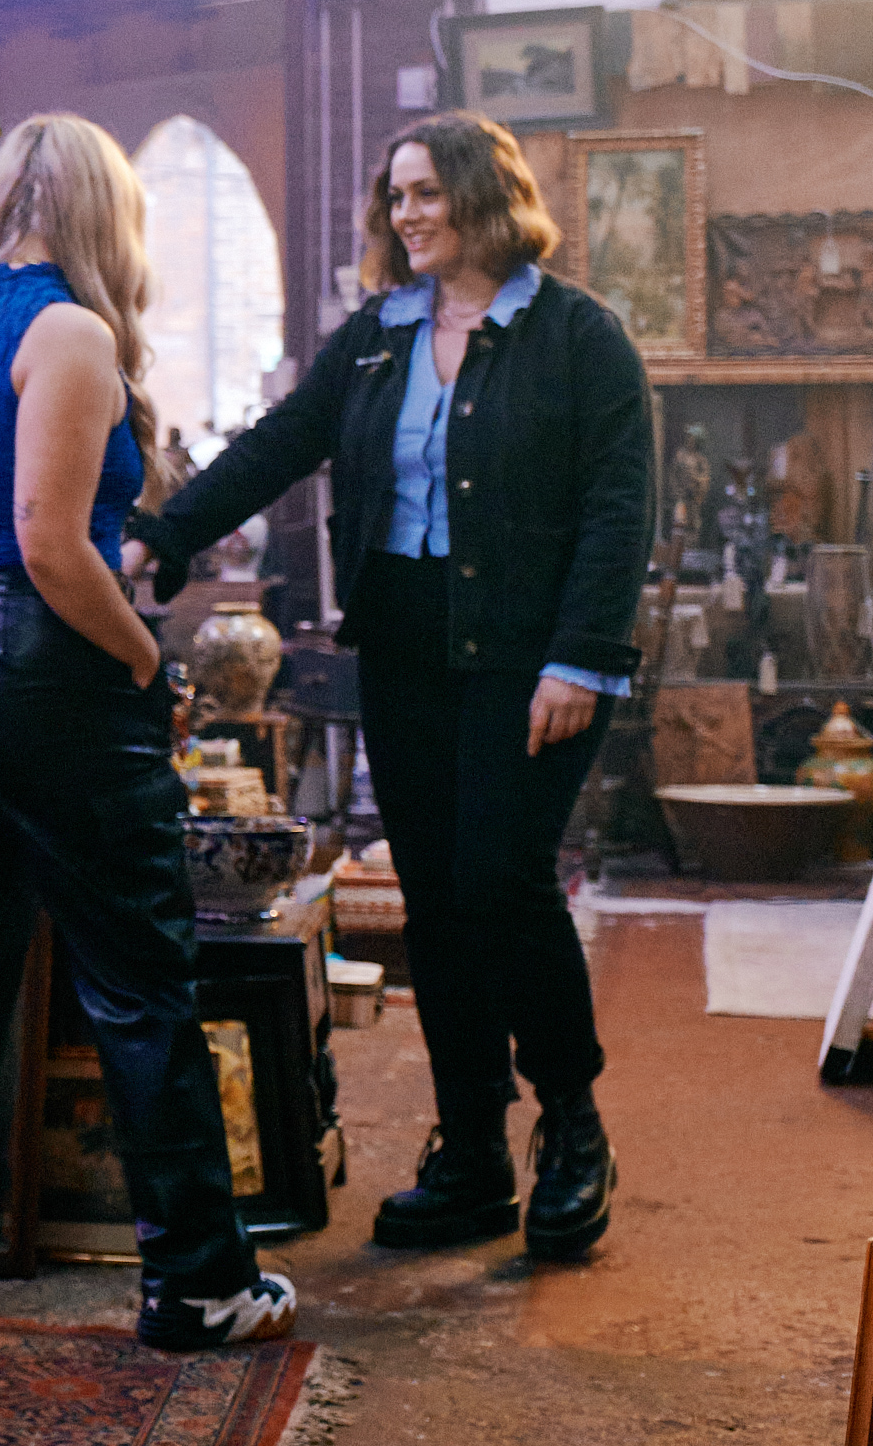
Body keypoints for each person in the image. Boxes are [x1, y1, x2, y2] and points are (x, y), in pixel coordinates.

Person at [0, 114, 298, 1353]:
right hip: (45, 658)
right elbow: (50, 540)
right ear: (106, 214)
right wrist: (142, 656)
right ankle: (198, 1279)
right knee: (138, 970)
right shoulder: (71, 331)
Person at [127, 112, 647, 1261]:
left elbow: (620, 508)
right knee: (438, 898)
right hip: (405, 655)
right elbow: (280, 441)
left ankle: (572, 1122)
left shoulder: (577, 336)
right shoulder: (376, 336)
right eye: (395, 195)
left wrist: (580, 655)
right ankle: (471, 1151)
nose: (405, 213)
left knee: (504, 882)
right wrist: (168, 532)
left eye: (425, 191)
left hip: (529, 660)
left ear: (484, 195)